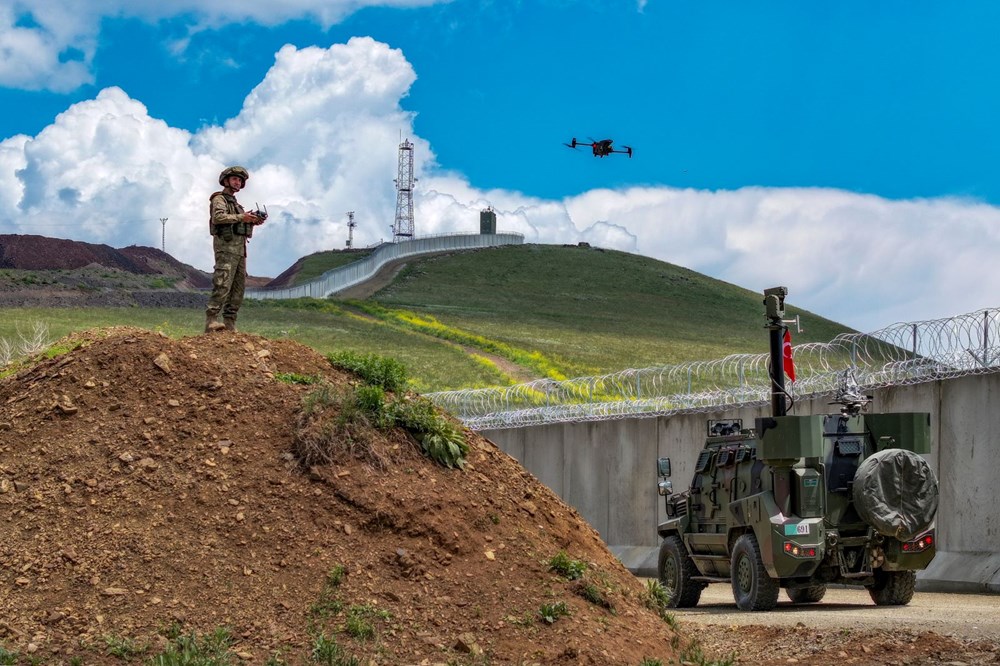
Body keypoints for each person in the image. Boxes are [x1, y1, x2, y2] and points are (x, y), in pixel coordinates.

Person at [205, 165, 266, 333]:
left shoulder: (237, 205)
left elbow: (238, 222)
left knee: (238, 290)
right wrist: (242, 217)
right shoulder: (219, 199)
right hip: (226, 250)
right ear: (226, 181)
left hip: (240, 252)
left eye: (240, 180)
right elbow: (218, 217)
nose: (237, 182)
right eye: (234, 179)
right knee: (222, 284)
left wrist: (252, 220)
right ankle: (211, 321)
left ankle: (230, 324)